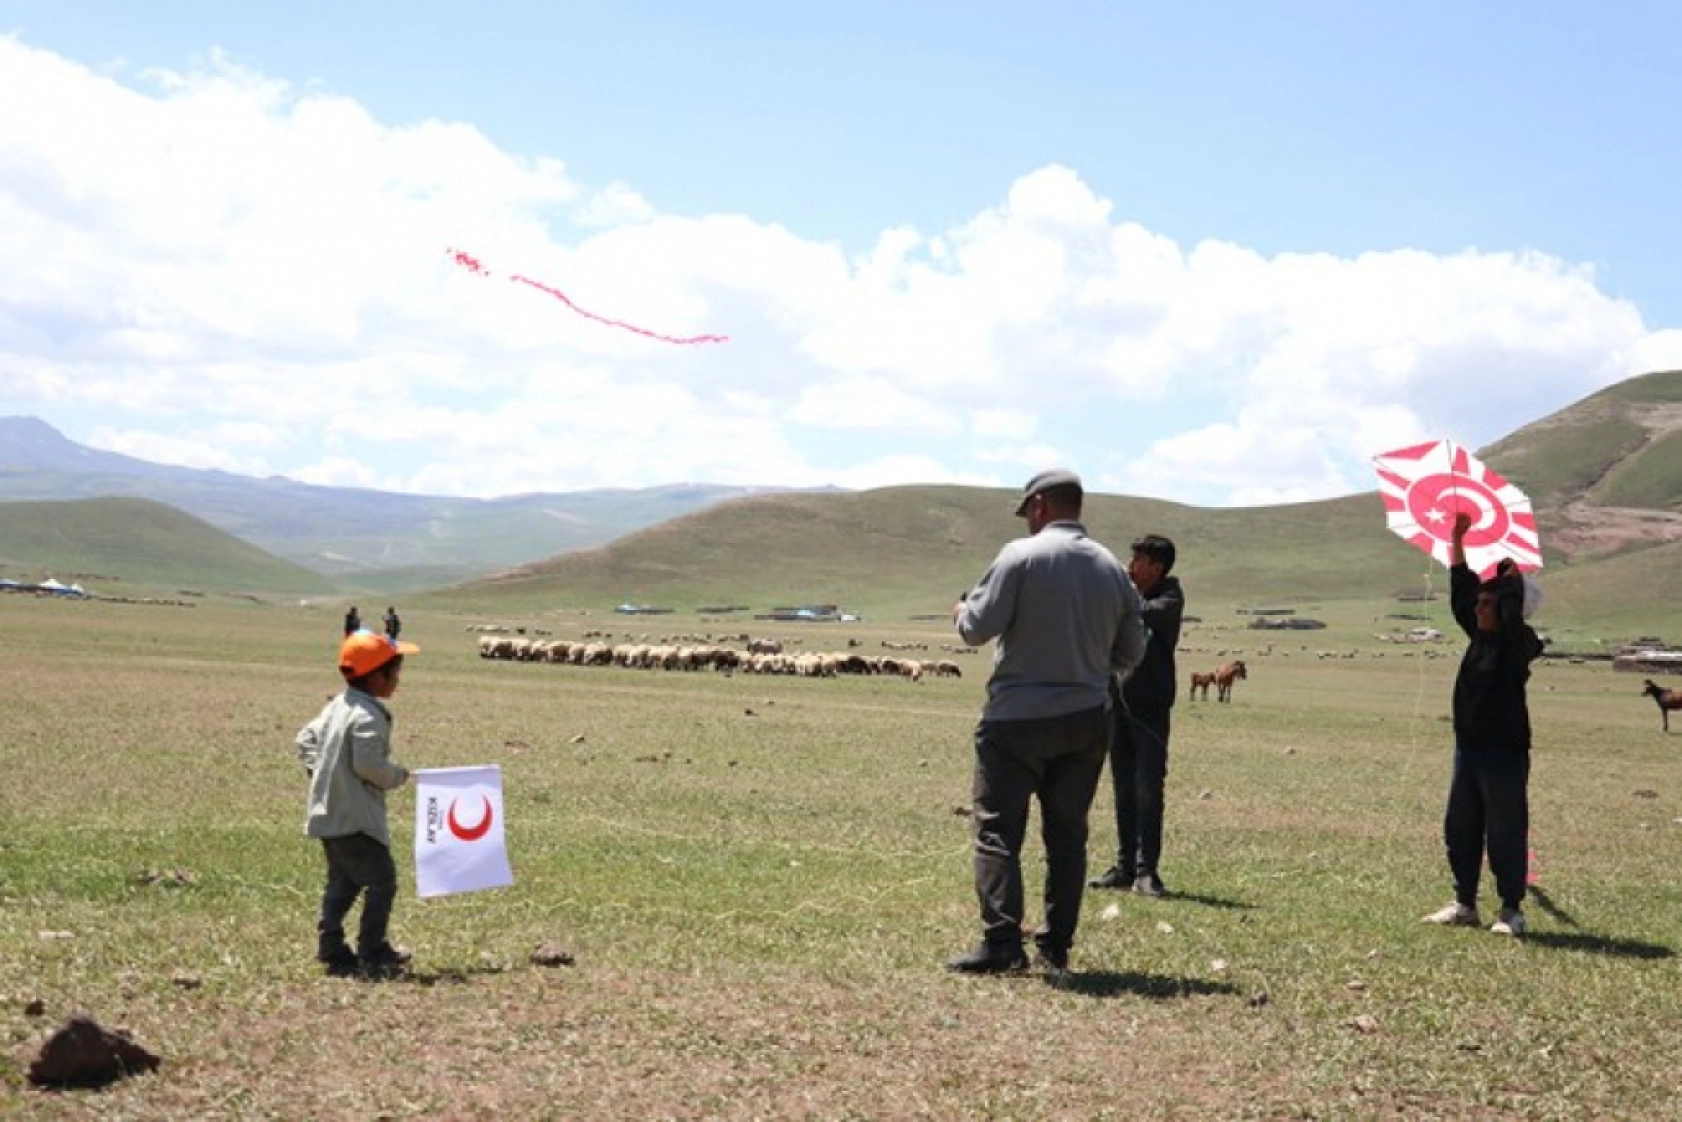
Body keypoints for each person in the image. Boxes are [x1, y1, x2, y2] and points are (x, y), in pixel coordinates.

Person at [948, 469, 1146, 974]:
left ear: (1039, 505)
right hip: (1086, 719)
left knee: (997, 831)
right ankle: (1056, 946)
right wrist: (1087, 671)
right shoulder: (1111, 568)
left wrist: (961, 610)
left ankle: (1002, 943)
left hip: (1016, 719)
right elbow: (1131, 651)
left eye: (1029, 512)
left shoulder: (1019, 556)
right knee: (1067, 837)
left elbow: (976, 629)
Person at [1421, 513, 1544, 937]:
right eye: (1481, 601)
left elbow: (1508, 607)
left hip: (1504, 752)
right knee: (1461, 825)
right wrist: (1456, 537)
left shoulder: (1518, 644)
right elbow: (1462, 586)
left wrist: (1512, 577)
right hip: (1468, 749)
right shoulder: (1478, 634)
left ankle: (1510, 911)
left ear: (1510, 608)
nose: (1479, 606)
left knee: (1505, 828)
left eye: (1488, 602)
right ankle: (1465, 904)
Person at [295, 629, 419, 975]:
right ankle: (373, 952)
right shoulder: (367, 716)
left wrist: (324, 772)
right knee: (382, 881)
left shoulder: (338, 705)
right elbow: (368, 765)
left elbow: (305, 739)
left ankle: (331, 947)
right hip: (357, 818)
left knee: (343, 881)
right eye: (395, 672)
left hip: (329, 813)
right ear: (377, 676)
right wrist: (397, 776)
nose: (398, 680)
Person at [1090, 534, 1184, 898]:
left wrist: (1118, 595)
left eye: (1138, 561)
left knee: (1148, 789)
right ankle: (1125, 866)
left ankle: (1147, 872)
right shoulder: (1131, 596)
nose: (1130, 566)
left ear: (1156, 567)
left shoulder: (1170, 596)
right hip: (1117, 705)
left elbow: (1145, 612)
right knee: (1124, 787)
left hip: (1150, 709)